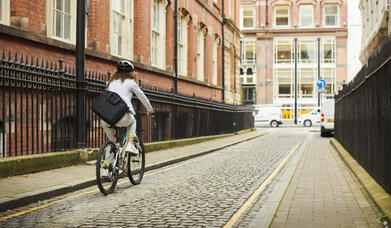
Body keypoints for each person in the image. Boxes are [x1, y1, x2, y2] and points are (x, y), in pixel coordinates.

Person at [102, 60, 154, 155]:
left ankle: (108, 163)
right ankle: (130, 144)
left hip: (106, 117)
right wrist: (150, 110)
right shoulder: (131, 83)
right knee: (133, 121)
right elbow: (142, 97)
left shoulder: (110, 83)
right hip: (122, 117)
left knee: (112, 143)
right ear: (131, 73)